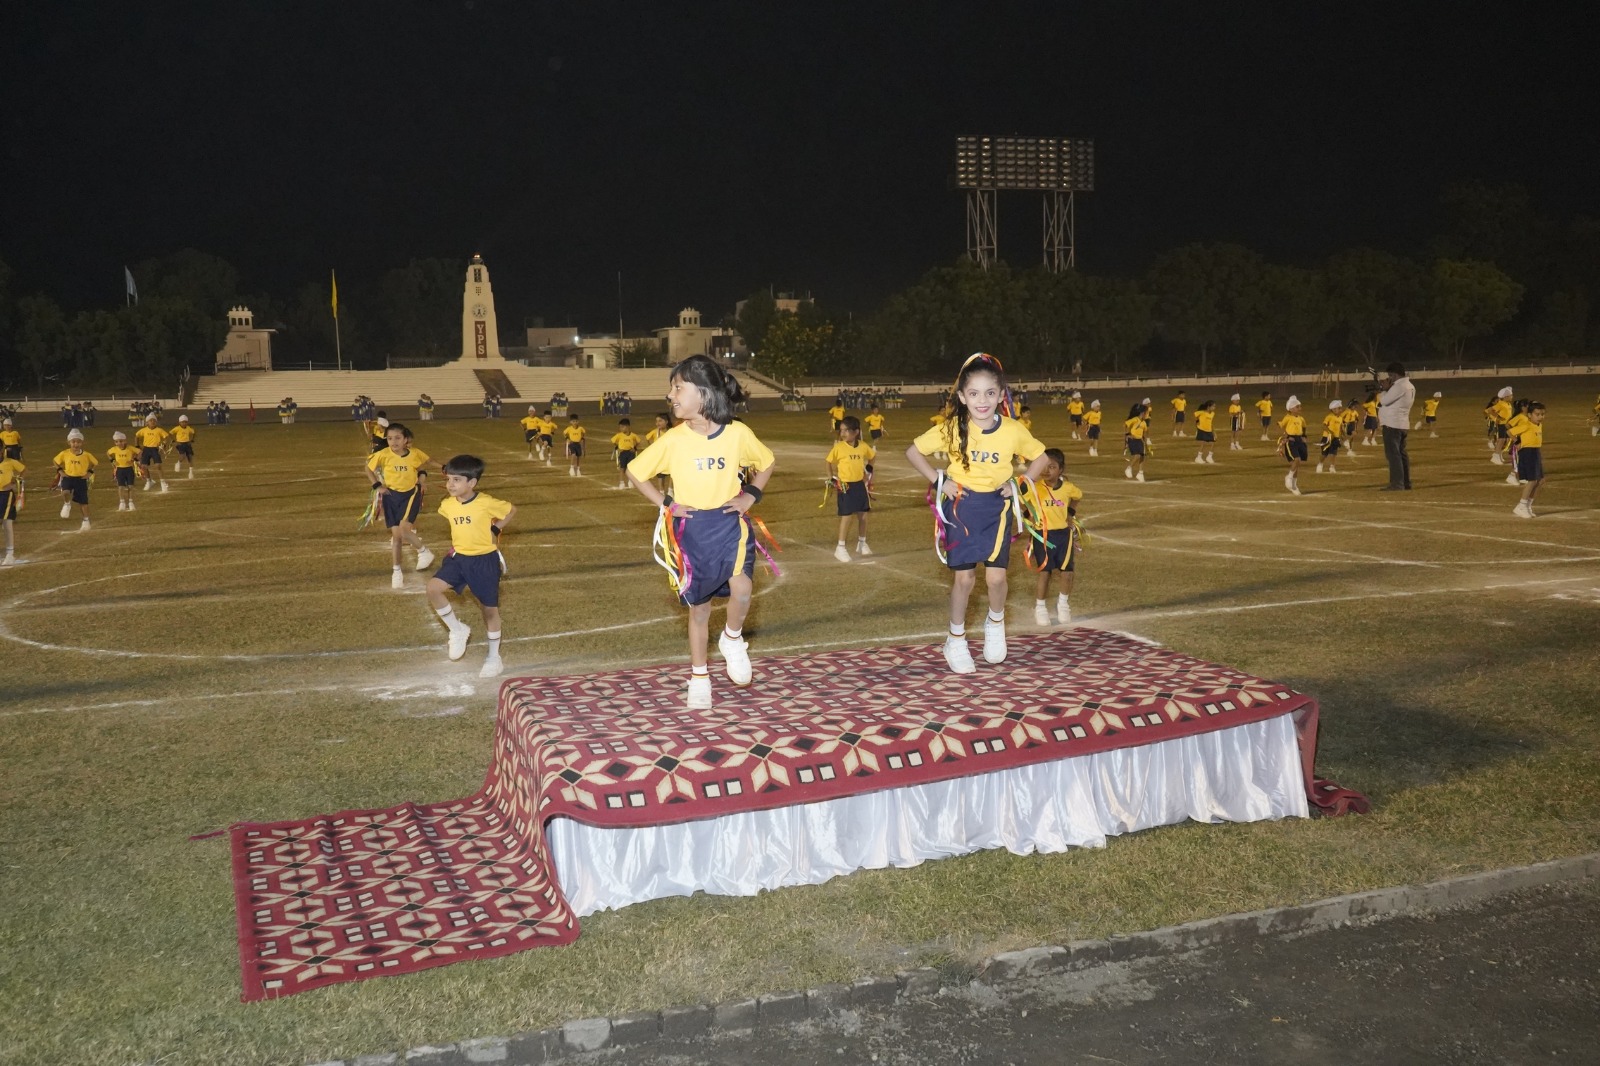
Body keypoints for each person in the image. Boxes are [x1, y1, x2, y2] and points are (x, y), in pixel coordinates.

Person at [626, 355, 775, 709]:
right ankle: (699, 676)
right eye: (671, 389)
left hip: (729, 524)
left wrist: (750, 495)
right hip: (691, 532)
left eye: (678, 387)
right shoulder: (673, 439)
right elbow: (636, 472)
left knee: (743, 587)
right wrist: (667, 504)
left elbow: (766, 462)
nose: (671, 395)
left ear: (705, 393)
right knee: (700, 610)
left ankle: (732, 639)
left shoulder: (737, 434)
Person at [905, 353, 1048, 675]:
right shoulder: (952, 428)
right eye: (973, 393)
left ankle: (995, 622)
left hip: (997, 508)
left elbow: (1040, 458)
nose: (982, 401)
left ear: (1001, 396)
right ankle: (955, 639)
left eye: (989, 393)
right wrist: (939, 481)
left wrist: (1020, 483)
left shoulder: (1013, 429)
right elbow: (913, 451)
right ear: (961, 397)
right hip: (962, 508)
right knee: (965, 579)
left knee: (996, 578)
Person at [426, 455, 515, 678]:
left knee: (489, 611)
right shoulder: (447, 505)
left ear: (472, 483)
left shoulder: (486, 502)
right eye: (448, 479)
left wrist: (496, 528)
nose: (450, 484)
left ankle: (494, 657)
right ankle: (457, 630)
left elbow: (511, 510)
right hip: (458, 558)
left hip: (484, 561)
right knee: (433, 589)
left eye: (457, 480)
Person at [367, 423, 437, 589]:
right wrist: (377, 486)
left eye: (398, 438)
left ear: (405, 439)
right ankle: (396, 572)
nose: (394, 441)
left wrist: (424, 479)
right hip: (391, 496)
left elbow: (422, 467)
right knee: (397, 537)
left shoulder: (413, 454)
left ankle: (424, 552)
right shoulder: (383, 454)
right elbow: (368, 469)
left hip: (410, 494)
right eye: (390, 438)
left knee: (405, 530)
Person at [1028, 448, 1083, 626]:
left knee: (1067, 572)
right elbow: (1023, 500)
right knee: (1045, 572)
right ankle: (1040, 607)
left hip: (1063, 535)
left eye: (1052, 467)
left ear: (1061, 469)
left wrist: (1070, 514)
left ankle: (1063, 605)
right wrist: (1029, 515)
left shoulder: (1068, 488)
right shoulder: (1035, 488)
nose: (1047, 470)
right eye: (1044, 466)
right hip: (1043, 535)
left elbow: (1077, 496)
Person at [826, 415, 875, 562]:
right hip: (845, 485)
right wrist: (831, 478)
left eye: (846, 430)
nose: (842, 433)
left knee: (863, 515)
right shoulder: (839, 447)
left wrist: (868, 470)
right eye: (841, 430)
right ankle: (840, 548)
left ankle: (862, 543)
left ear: (856, 432)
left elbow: (872, 456)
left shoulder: (863, 446)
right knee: (846, 516)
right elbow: (828, 462)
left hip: (859, 484)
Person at [1377, 362, 1415, 491]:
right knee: (1401, 454)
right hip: (1401, 423)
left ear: (1395, 374)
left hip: (1392, 425)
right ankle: (1405, 482)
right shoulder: (1409, 385)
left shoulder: (1399, 386)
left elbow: (1384, 401)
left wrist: (1384, 389)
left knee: (1393, 455)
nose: (1389, 378)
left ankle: (1397, 483)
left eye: (1390, 375)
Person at [55, 429, 97, 531]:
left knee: (83, 502)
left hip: (81, 479)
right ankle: (67, 504)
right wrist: (60, 471)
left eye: (78, 442)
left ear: (82, 443)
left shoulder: (86, 455)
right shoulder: (64, 453)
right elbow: (55, 461)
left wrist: (89, 472)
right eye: (73, 442)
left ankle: (86, 520)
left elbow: (95, 463)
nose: (76, 444)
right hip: (68, 477)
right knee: (65, 492)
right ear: (69, 442)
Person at [1512, 402, 1546, 518]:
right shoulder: (1526, 425)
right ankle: (1521, 505)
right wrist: (1517, 442)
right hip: (1528, 453)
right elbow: (1510, 432)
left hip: (1536, 452)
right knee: (1532, 481)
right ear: (1530, 415)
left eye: (1542, 414)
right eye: (1537, 414)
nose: (1540, 417)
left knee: (1540, 481)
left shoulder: (1539, 425)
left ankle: (1527, 505)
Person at [1278, 396, 1307, 495]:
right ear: (1291, 409)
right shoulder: (1287, 418)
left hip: (1299, 440)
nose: (1300, 408)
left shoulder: (1301, 418)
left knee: (1296, 465)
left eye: (1300, 406)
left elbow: (1304, 428)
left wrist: (1304, 436)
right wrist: (1286, 437)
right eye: (1297, 407)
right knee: (1297, 459)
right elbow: (1282, 426)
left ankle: (1294, 486)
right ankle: (1289, 477)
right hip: (1291, 441)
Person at [134, 414, 170, 492]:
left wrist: (164, 444)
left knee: (158, 465)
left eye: (154, 420)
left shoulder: (159, 430)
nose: (153, 422)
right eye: (151, 420)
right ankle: (149, 481)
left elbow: (166, 437)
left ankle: (163, 483)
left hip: (155, 449)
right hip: (146, 449)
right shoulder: (144, 430)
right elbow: (137, 435)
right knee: (143, 466)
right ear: (147, 422)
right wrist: (137, 446)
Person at [1, 450, 25, 565]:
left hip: (6, 495)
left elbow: (23, 470)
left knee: (7, 522)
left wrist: (14, 482)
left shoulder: (9, 462)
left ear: (1, 451)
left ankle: (10, 554)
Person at [106, 431, 139, 511]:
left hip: (129, 469)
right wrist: (112, 460)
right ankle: (122, 502)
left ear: (125, 441)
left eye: (121, 441)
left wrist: (134, 459)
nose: (119, 443)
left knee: (130, 486)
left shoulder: (130, 448)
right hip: (120, 470)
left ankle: (131, 502)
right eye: (116, 442)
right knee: (121, 487)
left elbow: (140, 452)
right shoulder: (114, 449)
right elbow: (108, 453)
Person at [610, 418, 642, 490]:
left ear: (627, 426)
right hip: (623, 453)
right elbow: (613, 441)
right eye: (620, 427)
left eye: (622, 427)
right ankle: (622, 482)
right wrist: (618, 447)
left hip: (631, 453)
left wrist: (634, 448)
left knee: (630, 468)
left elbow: (638, 441)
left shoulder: (633, 435)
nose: (620, 429)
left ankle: (630, 481)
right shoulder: (619, 435)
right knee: (622, 468)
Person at [1123, 399, 1151, 482]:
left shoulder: (1144, 423)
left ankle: (1140, 473)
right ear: (1142, 413)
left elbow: (1144, 433)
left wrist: (1145, 442)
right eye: (1146, 413)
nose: (1147, 414)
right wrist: (1127, 434)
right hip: (1133, 440)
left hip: (1140, 440)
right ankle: (1129, 468)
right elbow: (1125, 424)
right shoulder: (1135, 419)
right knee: (1138, 455)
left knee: (1142, 455)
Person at [1315, 401, 1344, 474]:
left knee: (1333, 453)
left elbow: (1340, 427)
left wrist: (1342, 435)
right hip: (1327, 438)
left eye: (1341, 408)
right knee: (1324, 453)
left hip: (1335, 438)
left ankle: (1332, 467)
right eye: (1339, 408)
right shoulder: (1329, 417)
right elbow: (1324, 426)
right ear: (1333, 409)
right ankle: (1320, 464)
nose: (1341, 410)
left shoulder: (1340, 418)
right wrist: (1330, 432)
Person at [1487, 387, 1513, 463]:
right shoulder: (1501, 404)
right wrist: (1498, 417)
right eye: (1510, 395)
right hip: (1502, 424)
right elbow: (1490, 410)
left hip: (1507, 424)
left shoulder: (1508, 404)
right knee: (1501, 440)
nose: (1512, 397)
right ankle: (1496, 455)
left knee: (1505, 441)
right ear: (1505, 397)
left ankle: (1499, 454)